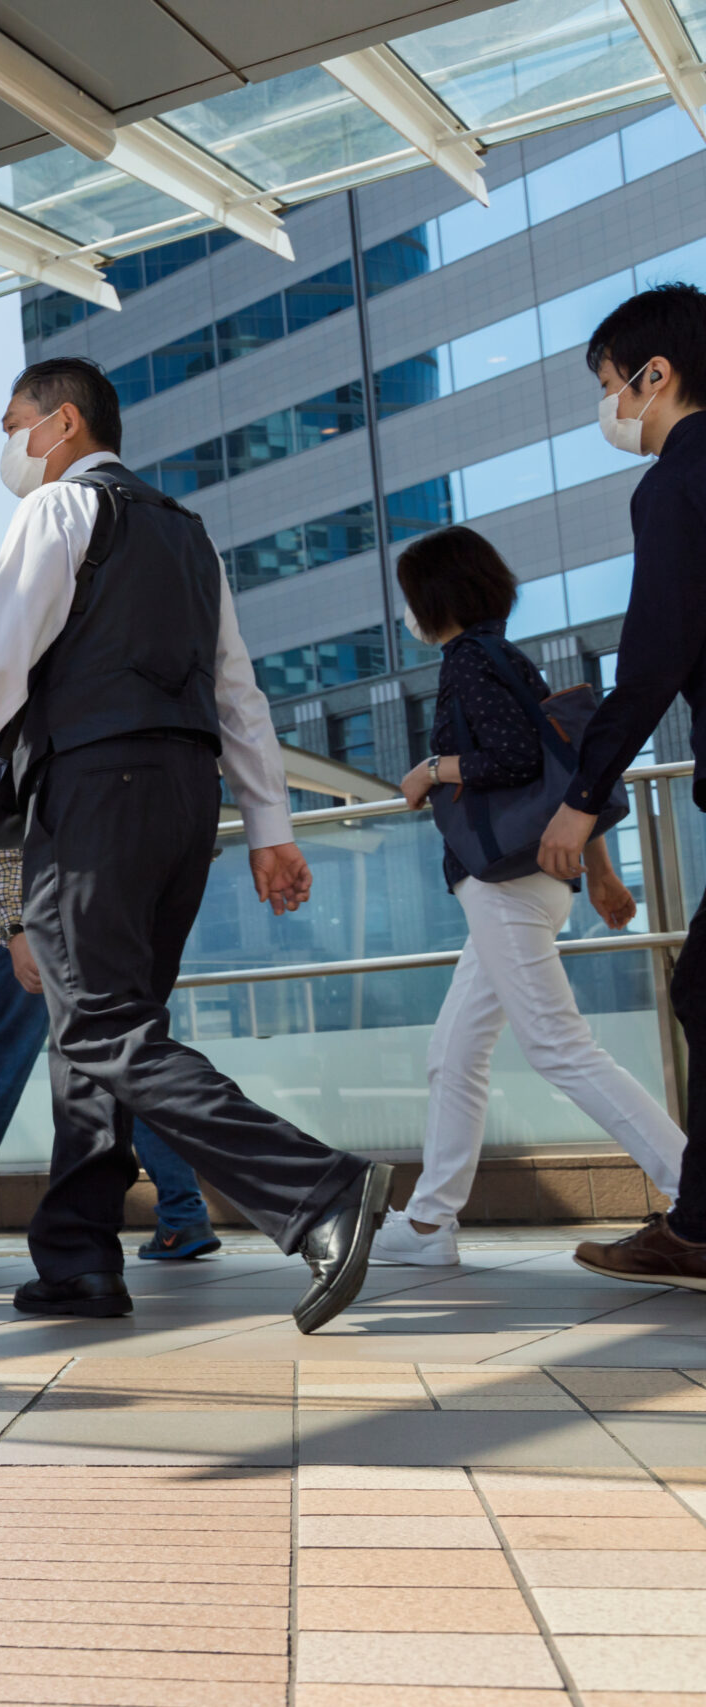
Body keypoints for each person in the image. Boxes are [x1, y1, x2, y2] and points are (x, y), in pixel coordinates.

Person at [0, 358, 386, 1332]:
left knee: (101, 1027)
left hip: (95, 794)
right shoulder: (188, 535)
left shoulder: (57, 513)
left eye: (11, 423)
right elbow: (237, 690)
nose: (6, 445)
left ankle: (318, 1194)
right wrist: (267, 828)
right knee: (92, 1035)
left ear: (60, 424)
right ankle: (78, 1260)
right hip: (186, 802)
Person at [376, 527, 680, 1266]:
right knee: (454, 1051)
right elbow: (561, 765)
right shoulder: (509, 657)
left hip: (506, 886)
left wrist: (430, 768)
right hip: (533, 879)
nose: (406, 612)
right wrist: (600, 870)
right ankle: (428, 1226)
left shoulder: (467, 663)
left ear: (434, 597)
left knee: (559, 1046)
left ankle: (694, 1192)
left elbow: (511, 758)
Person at [534, 285, 706, 1290]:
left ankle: (696, 1228)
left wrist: (585, 793)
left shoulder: (677, 481)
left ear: (655, 376)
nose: (610, 411)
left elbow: (650, 658)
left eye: (609, 387)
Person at [0, 848, 220, 1264]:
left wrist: (16, 927)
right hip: (104, 935)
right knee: (121, 1067)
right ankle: (183, 1213)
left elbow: (8, 845)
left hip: (34, 939)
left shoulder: (16, 779)